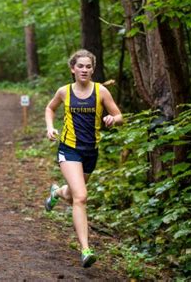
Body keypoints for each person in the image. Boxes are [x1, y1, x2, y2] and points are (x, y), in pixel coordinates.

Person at [44, 49, 123, 268]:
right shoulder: (64, 92)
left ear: (93, 69)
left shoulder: (101, 92)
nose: (84, 70)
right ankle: (85, 249)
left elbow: (120, 116)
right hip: (69, 149)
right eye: (80, 66)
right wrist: (50, 128)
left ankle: (57, 192)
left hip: (90, 152)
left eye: (88, 66)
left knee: (71, 194)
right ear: (73, 69)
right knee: (81, 197)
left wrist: (112, 119)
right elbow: (50, 108)